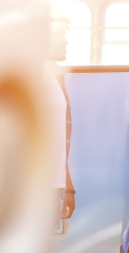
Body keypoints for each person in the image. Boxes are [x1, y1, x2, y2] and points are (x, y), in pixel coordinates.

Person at [48, 10, 76, 220]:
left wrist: (67, 187)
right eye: (59, 35)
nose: (66, 42)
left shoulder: (56, 76)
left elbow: (57, 139)